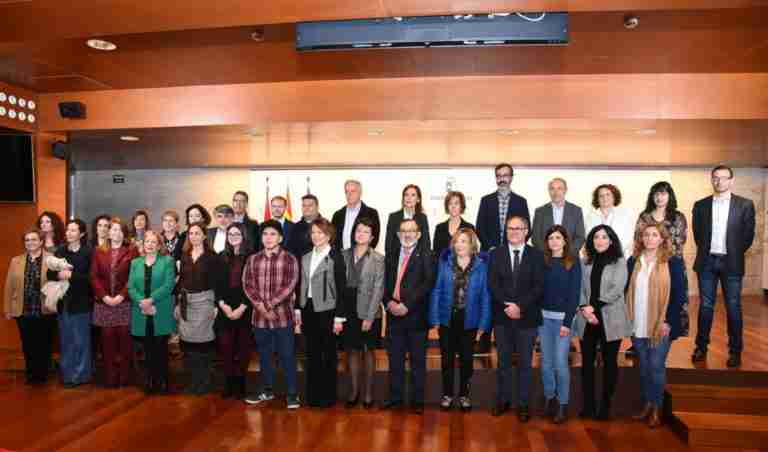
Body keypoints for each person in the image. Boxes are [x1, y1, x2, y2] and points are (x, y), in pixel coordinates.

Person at [691, 165, 755, 368]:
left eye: (723, 178)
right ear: (711, 180)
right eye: (715, 178)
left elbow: (748, 236)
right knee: (706, 306)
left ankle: (735, 351)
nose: (719, 181)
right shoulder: (700, 205)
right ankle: (701, 347)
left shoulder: (745, 204)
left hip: (732, 262)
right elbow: (698, 235)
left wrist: (734, 252)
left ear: (731, 181)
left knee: (733, 307)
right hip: (707, 261)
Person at [626, 222, 686, 428]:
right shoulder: (633, 261)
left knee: (656, 366)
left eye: (654, 235)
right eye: (646, 235)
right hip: (637, 323)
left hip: (660, 324)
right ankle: (647, 404)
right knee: (643, 367)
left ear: (662, 238)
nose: (649, 238)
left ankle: (657, 408)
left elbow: (679, 295)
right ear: (641, 238)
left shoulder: (673, 262)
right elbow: (626, 291)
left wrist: (668, 321)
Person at [572, 225, 631, 420]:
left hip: (610, 319)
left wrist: (593, 308)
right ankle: (588, 406)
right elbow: (579, 287)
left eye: (604, 237)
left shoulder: (620, 262)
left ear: (611, 240)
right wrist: (583, 307)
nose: (600, 240)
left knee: (609, 363)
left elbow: (616, 289)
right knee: (586, 364)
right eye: (596, 237)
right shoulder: (585, 261)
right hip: (587, 319)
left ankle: (605, 405)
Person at [489, 216, 544, 422]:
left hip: (527, 318)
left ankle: (523, 404)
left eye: (518, 228)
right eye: (510, 228)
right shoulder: (496, 254)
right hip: (503, 318)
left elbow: (539, 286)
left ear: (526, 230)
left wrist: (520, 306)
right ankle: (503, 400)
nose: (513, 231)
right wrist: (508, 306)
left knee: (525, 365)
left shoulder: (537, 255)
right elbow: (492, 284)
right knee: (502, 362)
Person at [429, 228, 491, 411]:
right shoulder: (445, 263)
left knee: (466, 359)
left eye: (464, 241)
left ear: (472, 244)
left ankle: (464, 394)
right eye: (457, 241)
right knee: (447, 359)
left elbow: (486, 296)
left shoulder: (481, 266)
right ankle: (447, 394)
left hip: (470, 319)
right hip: (447, 318)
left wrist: (483, 324)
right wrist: (434, 318)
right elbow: (437, 291)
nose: (459, 245)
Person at [242, 220, 301, 409]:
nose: (269, 238)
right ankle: (266, 390)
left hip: (282, 317)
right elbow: (247, 284)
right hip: (259, 319)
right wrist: (260, 307)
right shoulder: (253, 259)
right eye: (265, 234)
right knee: (264, 356)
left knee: (287, 355)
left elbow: (290, 285)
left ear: (281, 238)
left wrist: (267, 305)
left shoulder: (290, 259)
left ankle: (292, 393)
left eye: (273, 234)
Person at [381, 218, 434, 414]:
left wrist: (407, 305)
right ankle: (395, 398)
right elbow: (384, 284)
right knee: (394, 360)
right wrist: (388, 303)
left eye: (411, 230)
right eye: (403, 230)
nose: (407, 234)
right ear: (397, 235)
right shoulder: (392, 255)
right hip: (393, 315)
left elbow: (427, 283)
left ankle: (417, 401)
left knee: (417, 361)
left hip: (416, 315)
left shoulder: (427, 255)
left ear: (419, 234)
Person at [632, 182, 689, 357]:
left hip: (670, 265)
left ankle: (663, 343)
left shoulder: (677, 217)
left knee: (671, 302)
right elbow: (638, 240)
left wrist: (664, 261)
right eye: (656, 194)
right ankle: (642, 336)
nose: (659, 197)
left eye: (663, 193)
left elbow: (680, 243)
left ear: (669, 196)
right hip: (646, 263)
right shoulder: (644, 216)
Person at [298, 218, 347, 408]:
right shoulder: (305, 257)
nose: (316, 236)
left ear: (328, 235)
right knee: (312, 354)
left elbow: (342, 289)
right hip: (309, 310)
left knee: (328, 355)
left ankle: (327, 397)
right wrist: (298, 310)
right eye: (313, 233)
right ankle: (313, 395)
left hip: (328, 311)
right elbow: (301, 285)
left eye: (320, 232)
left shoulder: (336, 256)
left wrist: (339, 318)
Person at [538, 225, 582, 424]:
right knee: (546, 363)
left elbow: (574, 294)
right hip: (544, 320)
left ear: (565, 240)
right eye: (551, 238)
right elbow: (538, 290)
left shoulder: (573, 262)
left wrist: (567, 322)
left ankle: (562, 402)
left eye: (558, 237)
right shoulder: (543, 261)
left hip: (563, 320)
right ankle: (549, 397)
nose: (554, 241)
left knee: (559, 362)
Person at [340, 217, 385, 409]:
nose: (361, 234)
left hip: (369, 310)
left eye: (366, 232)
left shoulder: (378, 259)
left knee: (368, 352)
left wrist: (369, 315)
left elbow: (379, 289)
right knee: (352, 351)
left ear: (372, 236)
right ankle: (353, 391)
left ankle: (368, 393)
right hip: (348, 309)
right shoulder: (342, 255)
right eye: (358, 230)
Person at [175, 222, 223, 395]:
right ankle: (193, 382)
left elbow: (218, 282)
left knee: (203, 344)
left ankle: (204, 382)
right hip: (186, 302)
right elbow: (181, 280)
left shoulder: (212, 257)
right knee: (187, 344)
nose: (193, 236)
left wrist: (216, 305)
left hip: (205, 302)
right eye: (191, 233)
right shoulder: (185, 255)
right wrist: (177, 303)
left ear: (204, 235)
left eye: (197, 233)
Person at [90, 218, 138, 388]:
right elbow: (94, 277)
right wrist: (104, 297)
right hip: (104, 303)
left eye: (119, 229)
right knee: (107, 341)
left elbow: (134, 277)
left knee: (125, 341)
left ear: (124, 233)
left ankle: (125, 377)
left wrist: (121, 296)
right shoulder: (98, 251)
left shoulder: (132, 251)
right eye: (112, 229)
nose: (115, 232)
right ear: (108, 232)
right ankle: (110, 377)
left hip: (123, 302)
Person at [3, 229, 56, 384]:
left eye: (33, 239)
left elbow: (59, 284)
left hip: (44, 309)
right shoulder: (16, 261)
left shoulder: (52, 259)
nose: (30, 243)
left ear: (40, 242)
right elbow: (9, 286)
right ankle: (31, 375)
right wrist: (7, 309)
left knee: (44, 344)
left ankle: (42, 376)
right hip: (23, 309)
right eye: (27, 240)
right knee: (28, 344)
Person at [128, 230, 176, 394]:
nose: (149, 245)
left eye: (153, 242)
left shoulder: (167, 261)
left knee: (160, 348)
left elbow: (169, 285)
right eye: (147, 241)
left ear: (159, 245)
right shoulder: (135, 263)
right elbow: (131, 287)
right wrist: (142, 302)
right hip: (141, 310)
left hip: (159, 309)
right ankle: (148, 381)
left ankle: (162, 381)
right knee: (147, 349)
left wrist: (151, 300)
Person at [47, 218, 94, 388]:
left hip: (81, 303)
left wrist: (71, 276)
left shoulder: (89, 252)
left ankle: (81, 376)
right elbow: (49, 274)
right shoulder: (60, 250)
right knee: (66, 340)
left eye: (73, 230)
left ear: (81, 233)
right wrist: (59, 275)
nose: (69, 233)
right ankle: (67, 375)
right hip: (63, 303)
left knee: (81, 341)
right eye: (67, 230)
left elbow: (91, 279)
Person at [215, 223, 254, 400]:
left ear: (244, 235)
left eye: (237, 233)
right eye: (230, 234)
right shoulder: (221, 257)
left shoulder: (252, 257)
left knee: (243, 349)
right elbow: (216, 284)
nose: (233, 236)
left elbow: (254, 285)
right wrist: (223, 305)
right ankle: (228, 383)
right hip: (225, 307)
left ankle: (241, 384)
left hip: (245, 307)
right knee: (226, 348)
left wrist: (242, 307)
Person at [476, 163, 530, 251]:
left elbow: (527, 229)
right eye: (498, 176)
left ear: (511, 178)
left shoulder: (521, 202)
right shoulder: (486, 200)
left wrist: (515, 245)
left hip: (513, 252)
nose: (502, 179)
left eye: (505, 175)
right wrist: (489, 246)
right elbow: (480, 228)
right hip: (489, 251)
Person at [531, 178, 586, 256]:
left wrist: (565, 252)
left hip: (570, 258)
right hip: (545, 259)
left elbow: (580, 237)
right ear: (549, 191)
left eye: (559, 188)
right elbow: (535, 238)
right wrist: (550, 253)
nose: (555, 192)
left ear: (565, 190)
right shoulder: (540, 212)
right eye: (552, 189)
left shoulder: (576, 211)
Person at [584, 184, 634, 258]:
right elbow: (588, 237)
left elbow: (628, 238)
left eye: (608, 194)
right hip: (596, 257)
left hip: (619, 256)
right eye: (601, 196)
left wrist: (614, 253)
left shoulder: (625, 215)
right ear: (597, 199)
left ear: (614, 197)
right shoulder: (590, 217)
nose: (605, 198)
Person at [331, 179, 381, 250]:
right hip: (340, 258)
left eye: (353, 191)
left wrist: (362, 255)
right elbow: (333, 238)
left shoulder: (371, 213)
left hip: (362, 257)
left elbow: (374, 238)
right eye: (346, 192)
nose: (349, 194)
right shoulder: (337, 215)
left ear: (360, 193)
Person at [385, 184, 431, 258]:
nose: (409, 198)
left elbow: (426, 244)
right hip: (397, 260)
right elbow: (389, 245)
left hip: (417, 261)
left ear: (418, 199)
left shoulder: (422, 218)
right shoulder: (393, 217)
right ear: (403, 198)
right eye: (406, 195)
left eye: (413, 195)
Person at [433, 191, 474, 259]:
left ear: (461, 206)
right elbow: (436, 253)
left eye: (456, 203)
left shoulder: (469, 227)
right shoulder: (439, 228)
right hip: (443, 267)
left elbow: (472, 252)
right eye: (450, 203)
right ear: (447, 207)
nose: (453, 206)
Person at [287, 194, 321, 259]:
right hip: (299, 267)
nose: (306, 208)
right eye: (304, 205)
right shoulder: (295, 228)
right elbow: (290, 251)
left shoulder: (326, 226)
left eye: (310, 205)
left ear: (317, 207)